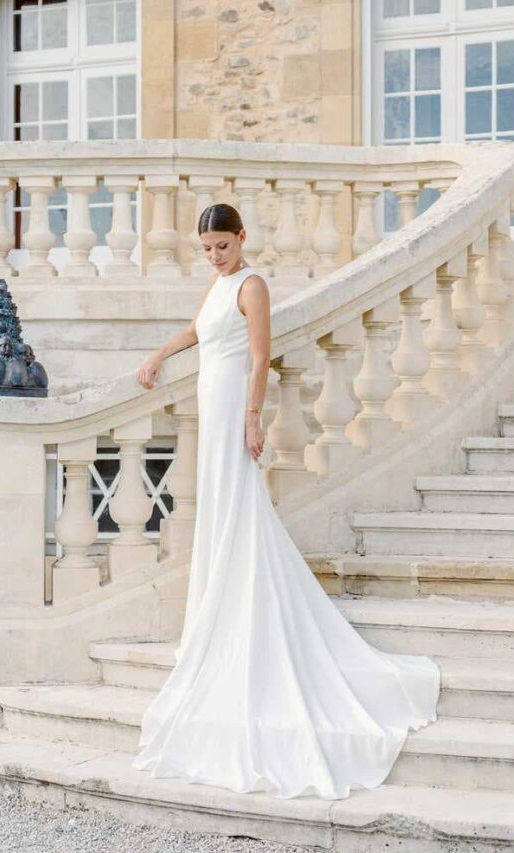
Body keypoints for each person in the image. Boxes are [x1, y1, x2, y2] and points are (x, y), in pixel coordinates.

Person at [132, 202, 441, 800]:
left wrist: (254, 418)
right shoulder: (218, 285)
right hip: (209, 397)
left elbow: (257, 357)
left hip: (232, 408)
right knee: (220, 513)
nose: (215, 255)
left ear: (242, 238)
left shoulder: (252, 285)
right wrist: (157, 355)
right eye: (207, 248)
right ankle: (217, 614)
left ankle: (246, 616)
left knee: (239, 509)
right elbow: (198, 330)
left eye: (222, 245)